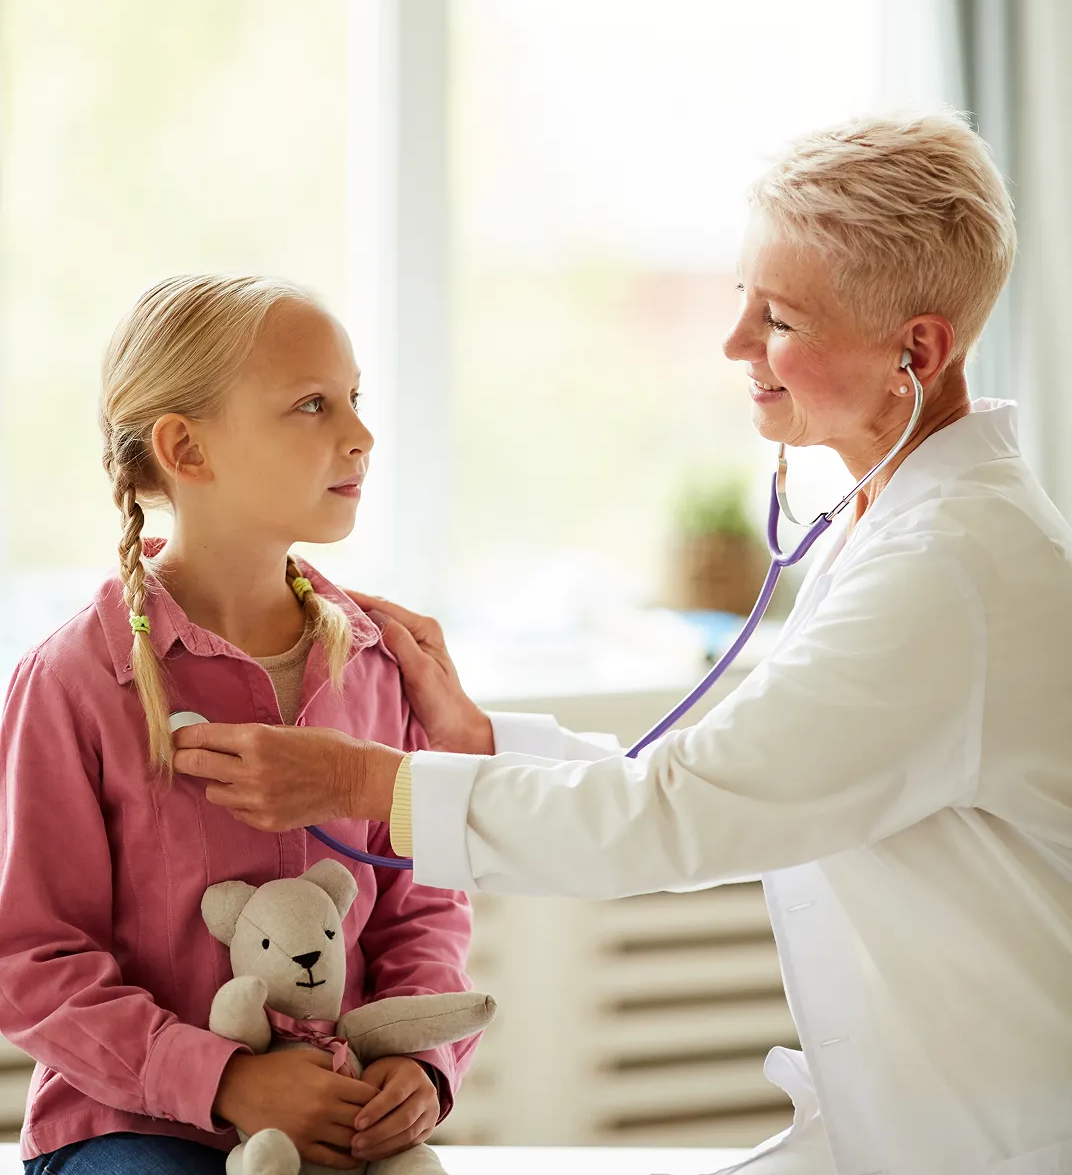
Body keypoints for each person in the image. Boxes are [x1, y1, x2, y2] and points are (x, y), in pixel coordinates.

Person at [174, 112, 1072, 1175]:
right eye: (742, 298)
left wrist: (367, 781)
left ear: (913, 351)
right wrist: (476, 741)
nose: (736, 342)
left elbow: (680, 814)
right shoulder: (907, 532)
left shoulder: (946, 575)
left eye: (777, 317)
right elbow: (725, 782)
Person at [0, 276, 480, 1174]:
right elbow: (31, 958)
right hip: (130, 1130)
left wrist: (421, 1062)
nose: (361, 435)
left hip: (343, 1123)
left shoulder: (380, 667)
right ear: (187, 447)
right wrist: (227, 1081)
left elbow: (424, 911)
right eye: (310, 405)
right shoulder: (71, 683)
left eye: (354, 399)